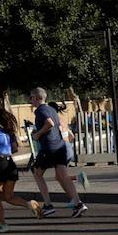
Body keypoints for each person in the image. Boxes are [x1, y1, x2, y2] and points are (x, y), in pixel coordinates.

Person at [29, 88, 89, 218]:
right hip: (60, 146)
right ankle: (78, 204)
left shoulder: (40, 110)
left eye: (31, 97)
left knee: (37, 173)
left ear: (38, 98)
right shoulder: (51, 109)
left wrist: (38, 134)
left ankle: (48, 205)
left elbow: (49, 124)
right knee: (63, 176)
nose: (30, 100)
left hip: (49, 147)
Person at [0, 107, 41, 233]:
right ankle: (29, 204)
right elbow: (14, 149)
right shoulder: (7, 132)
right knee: (8, 196)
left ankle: (2, 224)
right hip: (10, 164)